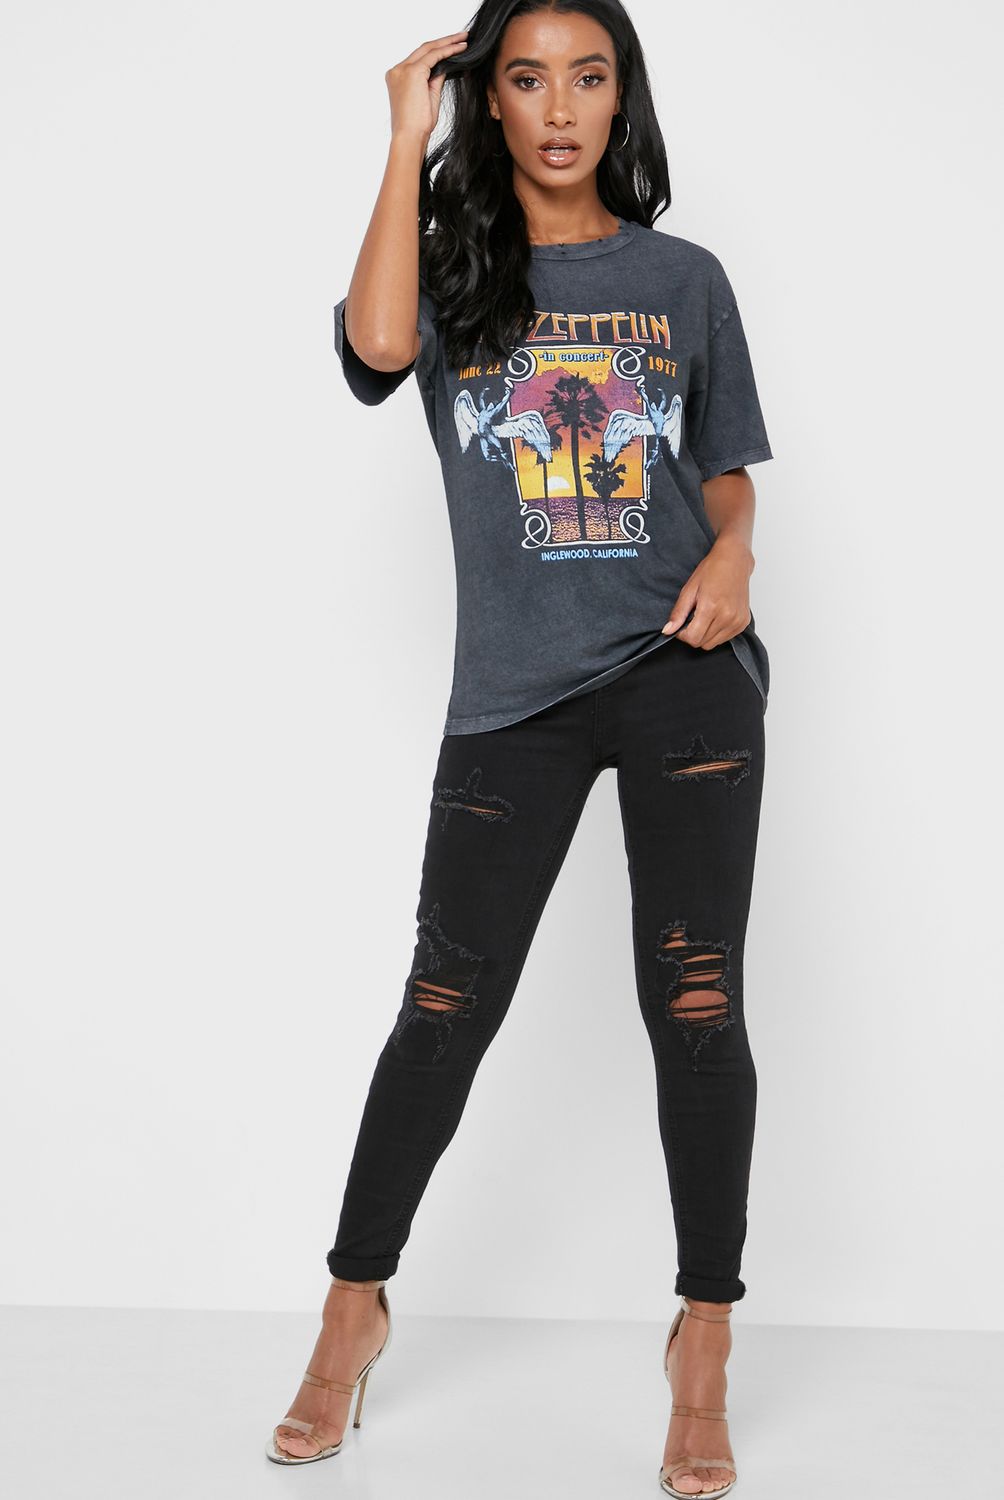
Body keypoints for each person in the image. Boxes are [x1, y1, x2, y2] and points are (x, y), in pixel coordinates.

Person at [269, 4, 774, 1494]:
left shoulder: (682, 279)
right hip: (515, 695)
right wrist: (402, 138)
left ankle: (704, 1334)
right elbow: (377, 349)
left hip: (685, 673)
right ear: (489, 101)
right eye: (528, 78)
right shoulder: (452, 270)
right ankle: (352, 1307)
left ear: (622, 98)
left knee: (696, 1001)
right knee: (444, 1003)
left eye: (588, 77)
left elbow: (724, 472)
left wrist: (736, 554)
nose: (560, 107)